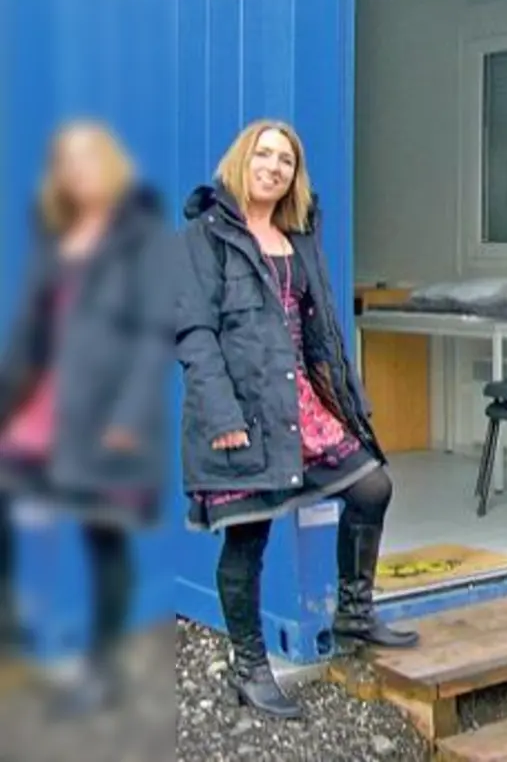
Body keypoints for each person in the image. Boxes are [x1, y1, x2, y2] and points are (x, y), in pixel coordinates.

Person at [175, 119, 418, 720]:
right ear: (242, 160)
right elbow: (194, 333)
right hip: (243, 409)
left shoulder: (299, 233)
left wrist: (348, 397)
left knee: (371, 486)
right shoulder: (205, 235)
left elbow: (321, 327)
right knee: (248, 533)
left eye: (286, 160)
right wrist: (221, 414)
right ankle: (250, 669)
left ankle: (355, 614)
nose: (274, 167)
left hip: (302, 404)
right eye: (265, 154)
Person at [0, 121, 170, 716]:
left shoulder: (142, 235)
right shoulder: (58, 236)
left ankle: (104, 668)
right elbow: (30, 329)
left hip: (106, 409)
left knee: (105, 532)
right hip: (47, 402)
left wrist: (128, 417)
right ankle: (13, 629)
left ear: (109, 163)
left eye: (86, 160)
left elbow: (156, 335)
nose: (77, 172)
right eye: (65, 163)